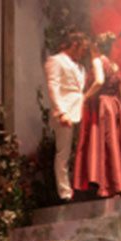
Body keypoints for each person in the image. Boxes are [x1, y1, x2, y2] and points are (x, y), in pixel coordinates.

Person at [72, 32, 121, 198]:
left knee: (104, 144)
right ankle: (118, 183)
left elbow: (99, 81)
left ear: (97, 47)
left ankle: (107, 185)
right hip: (115, 105)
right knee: (114, 144)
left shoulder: (97, 61)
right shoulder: (114, 65)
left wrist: (85, 96)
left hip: (103, 105)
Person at [45, 27, 89, 202]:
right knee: (63, 152)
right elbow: (53, 87)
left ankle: (80, 185)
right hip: (65, 112)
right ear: (74, 45)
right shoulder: (55, 60)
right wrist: (61, 112)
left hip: (80, 111)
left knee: (80, 150)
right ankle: (65, 192)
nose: (84, 52)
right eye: (82, 48)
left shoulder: (80, 66)